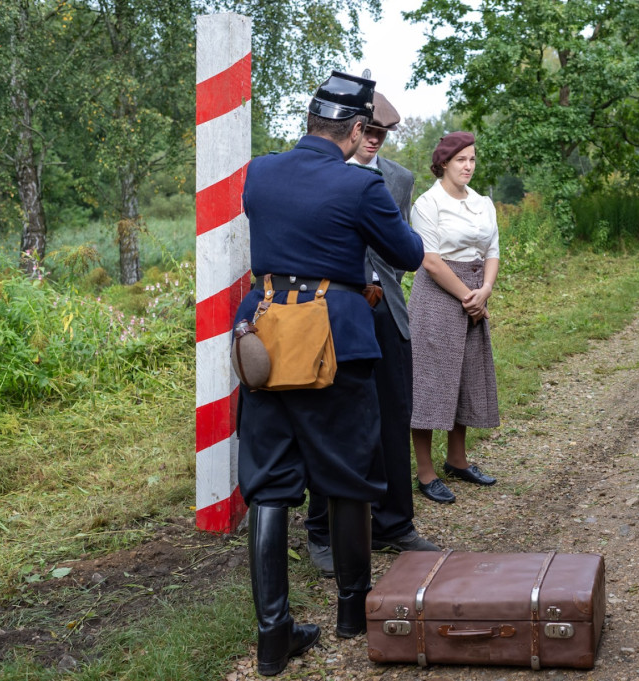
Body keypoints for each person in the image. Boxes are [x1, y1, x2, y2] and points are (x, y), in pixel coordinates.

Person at [233, 70, 424, 673]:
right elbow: (408, 254)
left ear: (310, 122)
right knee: (345, 478)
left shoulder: (259, 173)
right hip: (335, 341)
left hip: (265, 337)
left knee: (267, 488)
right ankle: (351, 609)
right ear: (357, 131)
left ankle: (273, 634)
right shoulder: (359, 186)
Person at [305, 91, 439, 578]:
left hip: (385, 308)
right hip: (332, 311)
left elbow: (401, 248)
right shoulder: (320, 171)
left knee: (392, 415)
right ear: (354, 128)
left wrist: (382, 290)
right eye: (369, 131)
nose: (373, 141)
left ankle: (394, 523)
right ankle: (321, 529)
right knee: (332, 419)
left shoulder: (398, 178)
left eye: (383, 135)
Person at [408, 131, 501, 504]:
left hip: (475, 294)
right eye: (461, 159)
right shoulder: (427, 204)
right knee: (431, 383)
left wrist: (486, 291)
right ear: (444, 162)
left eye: (473, 159)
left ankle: (457, 459)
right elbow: (429, 260)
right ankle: (426, 471)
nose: (468, 166)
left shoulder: (482, 203)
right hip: (438, 297)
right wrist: (468, 297)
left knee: (464, 377)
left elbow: (492, 250)